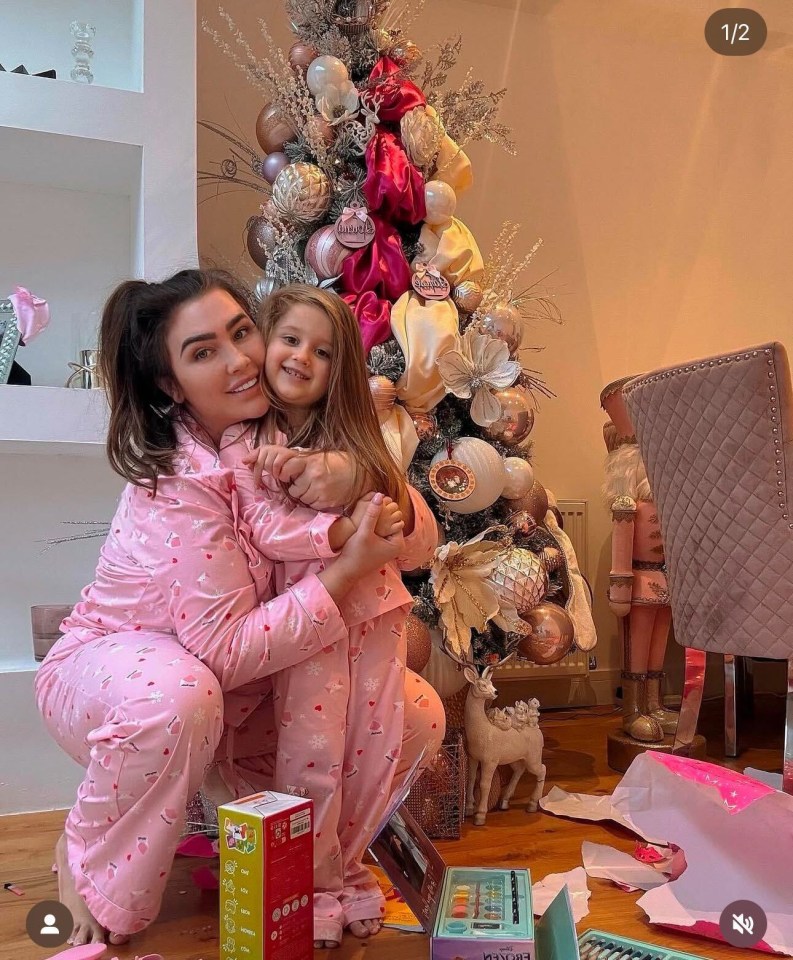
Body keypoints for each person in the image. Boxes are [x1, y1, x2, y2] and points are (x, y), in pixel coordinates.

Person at [34, 269, 445, 948]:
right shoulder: (178, 481)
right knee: (179, 694)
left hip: (241, 696)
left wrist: (365, 477)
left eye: (240, 332)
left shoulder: (293, 429)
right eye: (203, 352)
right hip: (120, 679)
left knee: (419, 711)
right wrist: (345, 566)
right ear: (171, 385)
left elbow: (421, 544)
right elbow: (223, 651)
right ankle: (87, 862)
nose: (241, 360)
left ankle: (315, 871)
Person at [237, 285, 439, 946]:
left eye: (321, 352)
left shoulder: (355, 443)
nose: (301, 358)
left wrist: (361, 490)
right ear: (265, 342)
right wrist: (339, 524)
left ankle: (348, 873)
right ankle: (309, 886)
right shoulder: (248, 437)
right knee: (312, 758)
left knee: (372, 753)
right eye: (290, 339)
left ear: (339, 372)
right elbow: (267, 531)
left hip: (376, 614)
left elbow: (400, 522)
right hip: (316, 621)